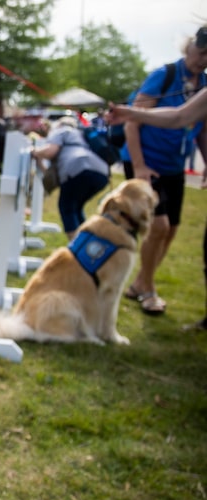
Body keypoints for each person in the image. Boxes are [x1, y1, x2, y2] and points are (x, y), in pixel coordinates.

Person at [116, 27, 207, 315]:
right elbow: (132, 122)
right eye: (201, 52)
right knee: (159, 226)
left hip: (174, 166)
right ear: (188, 48)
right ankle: (149, 289)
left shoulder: (203, 84)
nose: (203, 59)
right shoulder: (164, 76)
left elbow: (200, 129)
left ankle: (140, 283)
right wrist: (140, 166)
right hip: (146, 161)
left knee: (172, 230)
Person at [31, 116, 110, 240]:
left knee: (66, 206)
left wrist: (34, 152)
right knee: (76, 207)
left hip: (79, 167)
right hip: (101, 171)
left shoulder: (62, 131)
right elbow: (51, 172)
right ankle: (85, 243)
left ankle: (76, 248)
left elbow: (50, 151)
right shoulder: (81, 135)